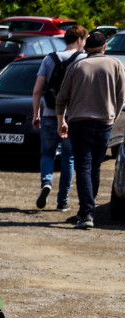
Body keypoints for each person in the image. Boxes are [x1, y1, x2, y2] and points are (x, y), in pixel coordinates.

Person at [56, 29, 125, 229]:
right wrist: (113, 117)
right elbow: (121, 98)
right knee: (95, 166)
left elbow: (61, 98)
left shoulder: (76, 66)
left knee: (84, 167)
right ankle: (88, 208)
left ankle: (86, 212)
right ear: (105, 47)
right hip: (104, 123)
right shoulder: (115, 65)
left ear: (86, 48)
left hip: (79, 122)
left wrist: (61, 121)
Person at [32, 25, 87, 212]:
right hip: (72, 117)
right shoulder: (84, 60)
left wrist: (36, 114)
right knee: (68, 158)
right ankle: (62, 201)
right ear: (79, 39)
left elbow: (37, 90)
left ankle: (46, 182)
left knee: (47, 153)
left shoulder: (49, 58)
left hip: (48, 114)